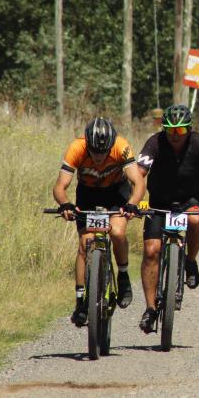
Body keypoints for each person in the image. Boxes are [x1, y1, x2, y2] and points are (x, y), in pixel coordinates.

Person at [135, 104, 199, 333]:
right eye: (170, 130)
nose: (174, 136)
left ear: (189, 129)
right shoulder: (155, 142)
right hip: (158, 203)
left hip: (188, 200)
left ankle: (190, 261)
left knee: (195, 221)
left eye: (180, 131)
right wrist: (138, 200)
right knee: (151, 250)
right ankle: (150, 308)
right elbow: (139, 174)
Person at [52, 117, 145, 327]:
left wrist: (132, 204)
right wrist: (66, 204)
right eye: (95, 152)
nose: (99, 157)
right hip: (88, 194)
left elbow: (138, 182)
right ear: (88, 144)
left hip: (116, 193)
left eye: (104, 153)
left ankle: (122, 276)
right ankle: (80, 302)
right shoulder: (76, 148)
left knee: (118, 233)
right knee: (85, 243)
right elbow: (60, 187)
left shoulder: (121, 146)